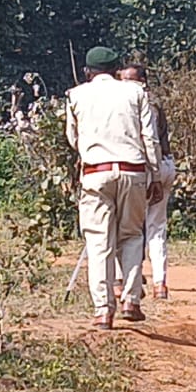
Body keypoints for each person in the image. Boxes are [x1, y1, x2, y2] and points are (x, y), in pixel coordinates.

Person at [66, 47, 163, 329]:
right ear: (117, 71)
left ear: (88, 72)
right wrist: (154, 175)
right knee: (132, 235)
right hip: (133, 171)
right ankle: (131, 299)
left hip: (95, 172)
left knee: (99, 242)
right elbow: (149, 137)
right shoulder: (135, 93)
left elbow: (73, 138)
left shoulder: (75, 95)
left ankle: (103, 310)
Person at [120, 64, 175, 299]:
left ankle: (127, 280)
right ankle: (160, 283)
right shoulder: (155, 102)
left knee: (127, 228)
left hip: (138, 167)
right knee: (156, 226)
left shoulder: (126, 102)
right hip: (162, 164)